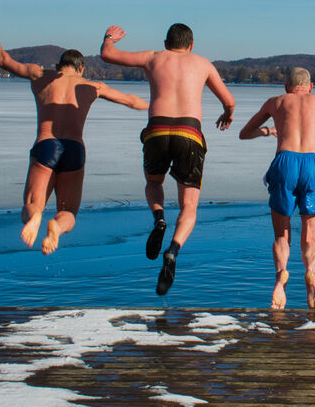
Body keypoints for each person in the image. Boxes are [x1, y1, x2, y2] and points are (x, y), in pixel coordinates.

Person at [0, 33, 148, 255]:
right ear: (81, 69)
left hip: (47, 143)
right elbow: (132, 101)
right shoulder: (92, 86)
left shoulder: (39, 75)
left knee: (32, 203)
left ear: (59, 66)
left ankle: (36, 216)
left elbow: (3, 62)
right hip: (74, 149)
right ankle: (56, 227)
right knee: (68, 211)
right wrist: (158, 109)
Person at [100, 23, 235, 295]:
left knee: (153, 183)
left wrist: (109, 38)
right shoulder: (203, 64)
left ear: (166, 42)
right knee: (189, 205)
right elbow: (229, 101)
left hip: (157, 130)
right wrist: (228, 113)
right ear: (192, 44)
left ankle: (159, 218)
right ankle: (173, 251)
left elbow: (108, 55)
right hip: (189, 134)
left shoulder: (153, 57)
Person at [238, 67, 315, 310]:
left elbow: (244, 134)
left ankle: (281, 278)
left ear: (287, 87)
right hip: (313, 165)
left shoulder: (276, 102)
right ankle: (310, 273)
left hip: (284, 163)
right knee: (310, 239)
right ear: (310, 87)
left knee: (281, 236)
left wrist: (269, 131)